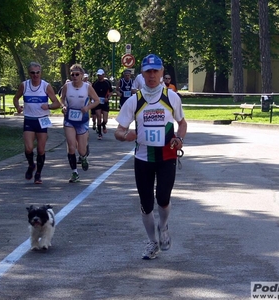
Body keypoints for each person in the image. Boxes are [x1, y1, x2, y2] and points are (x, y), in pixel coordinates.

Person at [114, 54, 187, 260]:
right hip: (143, 159)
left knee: (163, 198)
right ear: (142, 74)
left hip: (166, 157)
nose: (152, 75)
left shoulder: (172, 97)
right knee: (146, 204)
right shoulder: (134, 101)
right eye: (148, 71)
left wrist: (179, 138)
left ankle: (163, 227)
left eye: (156, 71)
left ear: (162, 72)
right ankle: (152, 242)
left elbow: (182, 123)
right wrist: (126, 135)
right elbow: (118, 131)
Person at [13, 62, 61, 184]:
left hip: (42, 119)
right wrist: (18, 107)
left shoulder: (46, 86)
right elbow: (15, 98)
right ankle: (31, 165)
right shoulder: (24, 85)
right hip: (29, 119)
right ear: (29, 73)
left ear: (41, 73)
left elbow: (57, 103)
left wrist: (49, 106)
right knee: (29, 148)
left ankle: (38, 174)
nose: (35, 75)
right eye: (32, 73)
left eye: (37, 72)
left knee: (40, 149)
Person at [59, 64, 100, 183]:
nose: (74, 77)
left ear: (82, 75)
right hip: (69, 119)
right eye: (72, 74)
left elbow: (97, 100)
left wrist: (87, 108)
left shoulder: (87, 87)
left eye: (77, 74)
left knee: (81, 150)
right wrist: (64, 106)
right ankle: (74, 173)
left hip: (82, 120)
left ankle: (83, 157)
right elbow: (61, 98)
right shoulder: (67, 86)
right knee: (71, 146)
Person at [92, 69, 112, 140]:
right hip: (97, 102)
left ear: (103, 75)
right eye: (98, 75)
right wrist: (94, 99)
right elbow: (92, 92)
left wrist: (108, 98)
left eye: (100, 75)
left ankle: (104, 125)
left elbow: (111, 92)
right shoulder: (95, 84)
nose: (99, 76)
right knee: (99, 118)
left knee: (105, 120)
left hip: (105, 102)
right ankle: (100, 133)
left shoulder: (107, 83)